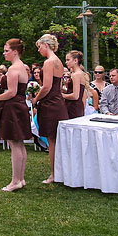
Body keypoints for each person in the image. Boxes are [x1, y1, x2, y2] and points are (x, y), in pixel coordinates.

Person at [0, 39, 32, 191]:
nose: (4, 53)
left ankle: (15, 181)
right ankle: (21, 178)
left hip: (13, 107)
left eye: (6, 50)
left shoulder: (13, 69)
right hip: (20, 105)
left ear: (15, 51)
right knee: (18, 143)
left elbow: (11, 92)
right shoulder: (22, 67)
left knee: (14, 144)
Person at [33, 33, 68, 184]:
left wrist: (36, 98)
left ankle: (54, 174)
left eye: (39, 46)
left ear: (45, 45)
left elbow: (46, 87)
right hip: (58, 102)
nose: (39, 50)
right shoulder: (59, 62)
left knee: (52, 140)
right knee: (57, 139)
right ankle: (60, 172)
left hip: (50, 104)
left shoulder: (48, 62)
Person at [62, 51, 88, 119]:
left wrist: (62, 95)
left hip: (73, 107)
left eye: (68, 60)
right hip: (74, 105)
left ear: (75, 60)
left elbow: (75, 96)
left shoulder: (77, 74)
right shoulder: (77, 73)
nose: (66, 62)